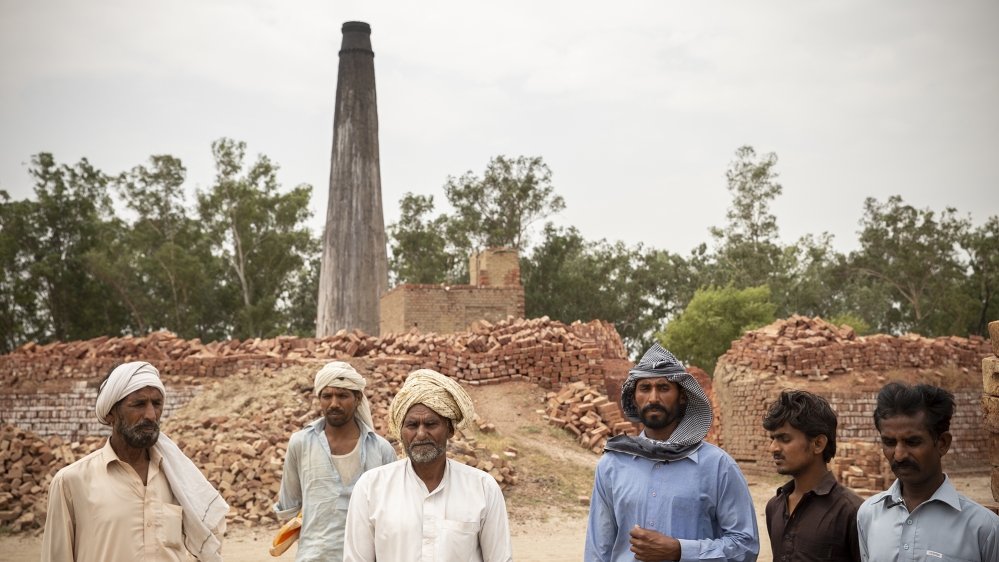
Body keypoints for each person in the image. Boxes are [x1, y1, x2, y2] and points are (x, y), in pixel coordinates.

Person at [584, 344, 759, 562]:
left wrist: (680, 551)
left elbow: (745, 545)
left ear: (682, 397)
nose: (653, 398)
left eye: (664, 388)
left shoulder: (718, 466)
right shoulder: (612, 465)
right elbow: (597, 550)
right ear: (634, 397)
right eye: (645, 388)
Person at [41, 362, 227, 561]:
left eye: (156, 404)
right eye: (138, 404)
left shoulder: (178, 477)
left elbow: (208, 544)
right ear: (110, 412)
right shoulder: (71, 482)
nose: (151, 415)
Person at [343, 369, 513, 562]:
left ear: (449, 429)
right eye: (412, 425)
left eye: (431, 424)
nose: (421, 434)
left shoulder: (483, 488)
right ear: (401, 431)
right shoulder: (371, 488)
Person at [858, 381, 999, 561]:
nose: (899, 455)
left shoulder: (984, 528)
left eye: (913, 442)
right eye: (890, 443)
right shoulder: (868, 514)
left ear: (942, 443)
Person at [273, 361, 397, 561]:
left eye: (342, 395)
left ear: (358, 398)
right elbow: (289, 507)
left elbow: (391, 515)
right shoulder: (300, 444)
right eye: (327, 396)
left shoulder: (382, 450)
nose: (334, 404)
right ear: (319, 399)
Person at [763, 389, 863, 562]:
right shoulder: (775, 507)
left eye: (785, 439)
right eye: (773, 439)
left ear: (818, 444)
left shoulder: (851, 512)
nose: (773, 448)